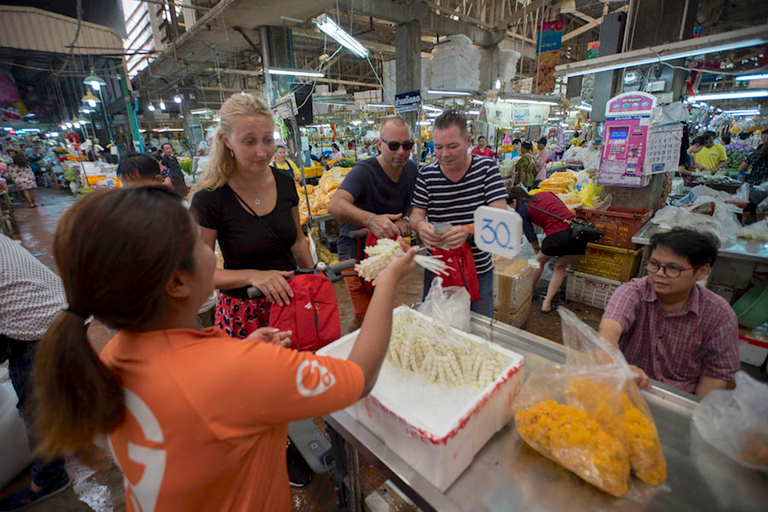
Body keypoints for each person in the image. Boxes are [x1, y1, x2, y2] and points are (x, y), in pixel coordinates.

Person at [30, 186, 416, 512]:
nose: (209, 253)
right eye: (198, 245)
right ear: (178, 283)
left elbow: (197, 415)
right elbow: (361, 378)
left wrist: (242, 355)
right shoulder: (238, 369)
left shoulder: (114, 354)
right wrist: (385, 285)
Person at [190, 93, 313, 339]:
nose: (262, 152)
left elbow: (298, 242)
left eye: (268, 140)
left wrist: (314, 281)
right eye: (249, 142)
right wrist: (254, 276)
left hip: (291, 303)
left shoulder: (285, 183)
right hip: (244, 312)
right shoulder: (210, 198)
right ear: (226, 140)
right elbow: (201, 274)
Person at [598, 228, 739, 397]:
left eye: (673, 268)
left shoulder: (718, 314)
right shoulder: (633, 292)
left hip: (679, 397)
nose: (659, 274)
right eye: (654, 264)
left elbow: (716, 375)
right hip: (628, 386)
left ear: (701, 271)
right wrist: (618, 368)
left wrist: (693, 414)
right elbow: (608, 331)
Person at [410, 110, 507, 317]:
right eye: (438, 147)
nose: (444, 154)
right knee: (438, 328)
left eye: (452, 146)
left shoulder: (486, 169)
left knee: (478, 329)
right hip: (438, 268)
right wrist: (420, 226)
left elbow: (500, 215)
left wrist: (468, 230)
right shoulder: (427, 175)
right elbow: (416, 215)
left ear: (468, 140)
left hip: (478, 269)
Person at [0, 235, 70, 510]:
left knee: (35, 408)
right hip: (62, 313)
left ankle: (50, 478)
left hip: (39, 328)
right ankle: (73, 430)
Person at [328, 116, 417, 332]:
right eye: (394, 145)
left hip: (385, 253)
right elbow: (335, 205)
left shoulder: (411, 170)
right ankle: (353, 358)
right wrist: (370, 219)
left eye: (407, 146)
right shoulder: (363, 172)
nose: (401, 152)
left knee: (379, 311)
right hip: (354, 253)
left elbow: (413, 205)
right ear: (379, 144)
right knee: (363, 315)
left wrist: (407, 218)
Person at [507, 186, 588, 313]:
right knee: (560, 266)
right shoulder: (546, 194)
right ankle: (546, 304)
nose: (513, 208)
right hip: (577, 234)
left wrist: (536, 248)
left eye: (511, 205)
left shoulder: (523, 209)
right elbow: (562, 208)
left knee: (538, 262)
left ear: (514, 201)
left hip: (557, 236)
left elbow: (530, 235)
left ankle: (528, 295)